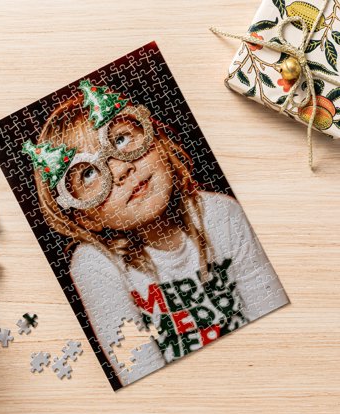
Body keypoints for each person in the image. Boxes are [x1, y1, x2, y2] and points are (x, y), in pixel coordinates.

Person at [24, 80, 289, 386]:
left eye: (120, 139)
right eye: (88, 172)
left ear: (158, 141)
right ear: (86, 216)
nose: (120, 170)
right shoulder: (95, 265)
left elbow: (275, 320)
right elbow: (140, 373)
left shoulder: (222, 215)